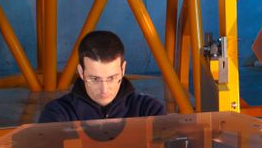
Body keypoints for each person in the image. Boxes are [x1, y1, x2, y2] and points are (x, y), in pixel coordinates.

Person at [38, 30, 166, 122]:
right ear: (81, 72)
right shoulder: (58, 114)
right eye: (94, 79)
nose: (104, 89)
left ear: (123, 69)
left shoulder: (149, 110)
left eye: (111, 78)